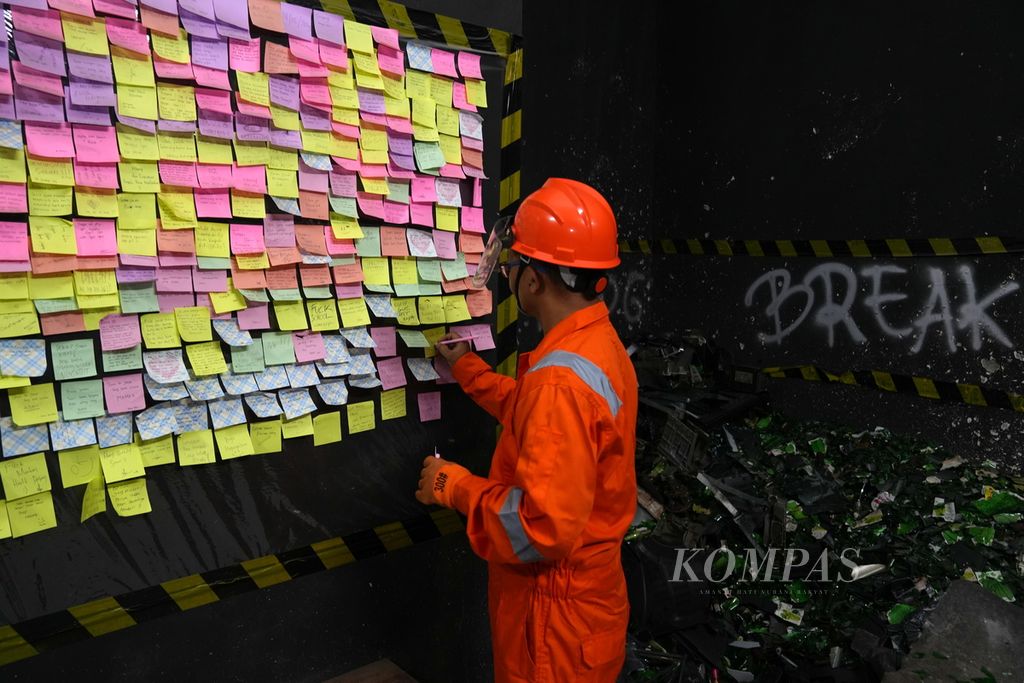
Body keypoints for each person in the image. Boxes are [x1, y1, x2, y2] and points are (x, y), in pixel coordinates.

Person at [415, 178, 639, 682]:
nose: (510, 276)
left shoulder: (560, 382)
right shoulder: (597, 347)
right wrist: (470, 371)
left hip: (551, 627)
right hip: (585, 609)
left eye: (514, 266)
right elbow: (543, 420)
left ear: (535, 281)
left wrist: (453, 485)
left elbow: (539, 528)